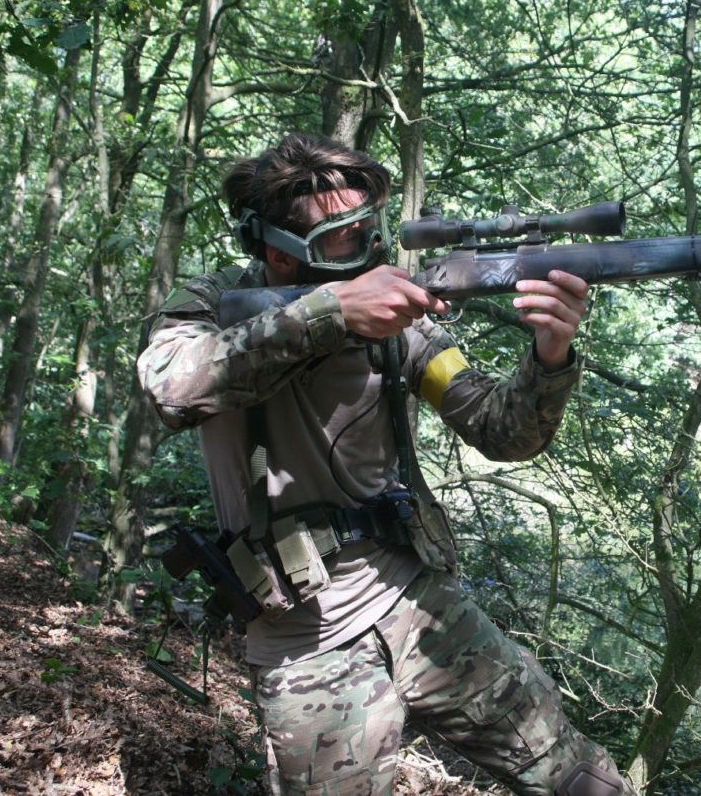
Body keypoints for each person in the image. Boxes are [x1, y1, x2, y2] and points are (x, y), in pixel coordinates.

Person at [137, 132, 633, 796]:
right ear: (280, 255)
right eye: (342, 238)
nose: (367, 252)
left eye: (369, 230)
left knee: (582, 779)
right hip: (305, 633)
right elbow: (173, 386)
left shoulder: (399, 323)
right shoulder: (208, 304)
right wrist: (334, 311)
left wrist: (549, 357)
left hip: (419, 599)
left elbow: (498, 427)